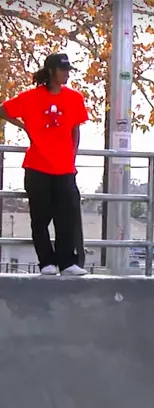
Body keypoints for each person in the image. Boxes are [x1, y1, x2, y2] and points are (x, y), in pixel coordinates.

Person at [0, 53, 89, 276]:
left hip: (64, 167)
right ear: (51, 71)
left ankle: (67, 262)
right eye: (63, 70)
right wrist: (23, 126)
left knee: (66, 216)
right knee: (40, 217)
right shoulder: (30, 97)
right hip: (37, 165)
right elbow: (3, 110)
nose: (67, 74)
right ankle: (46, 262)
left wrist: (72, 157)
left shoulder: (74, 98)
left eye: (69, 70)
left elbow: (75, 130)